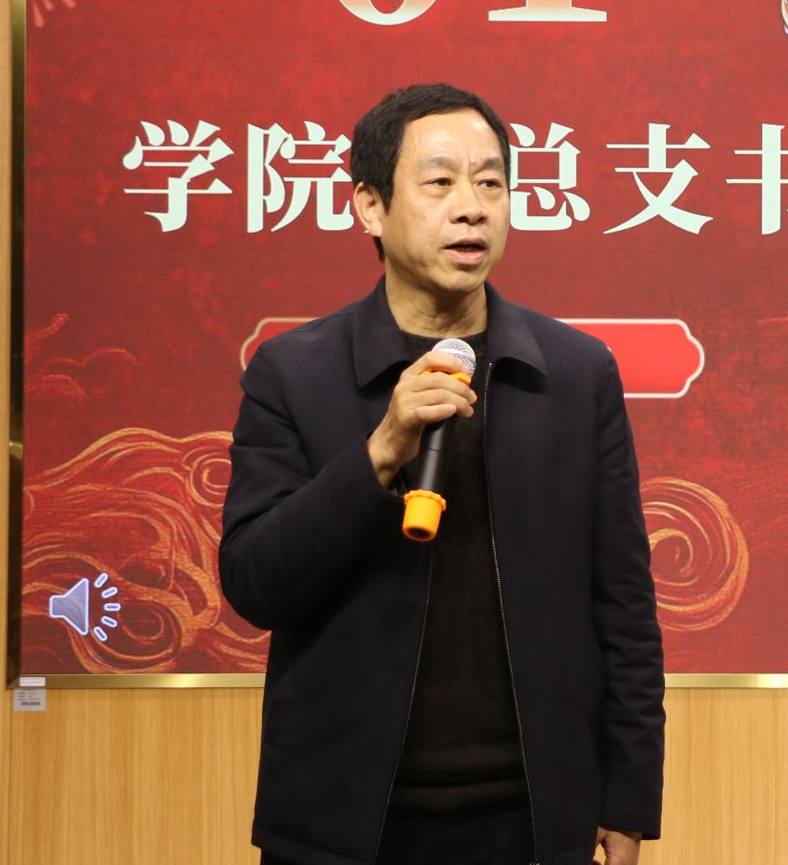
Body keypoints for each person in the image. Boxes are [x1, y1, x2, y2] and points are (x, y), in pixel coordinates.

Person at [220, 83, 665, 865]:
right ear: (369, 206)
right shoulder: (292, 373)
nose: (472, 208)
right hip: (345, 824)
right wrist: (378, 453)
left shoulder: (575, 373)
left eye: (491, 183)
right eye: (440, 182)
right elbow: (255, 583)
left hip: (530, 818)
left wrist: (627, 797)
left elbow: (623, 605)